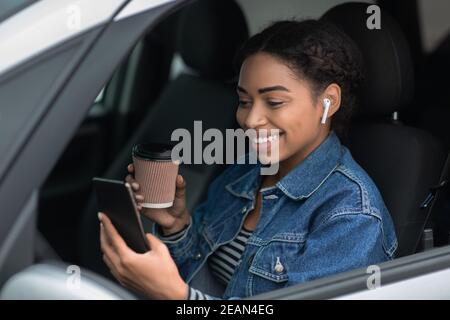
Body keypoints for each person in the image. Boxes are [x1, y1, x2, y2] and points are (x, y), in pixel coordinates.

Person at [98, 19, 398, 300]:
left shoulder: (352, 216)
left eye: (274, 102)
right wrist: (176, 226)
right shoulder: (245, 171)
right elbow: (213, 285)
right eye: (244, 101)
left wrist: (177, 297)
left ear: (328, 101)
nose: (250, 119)